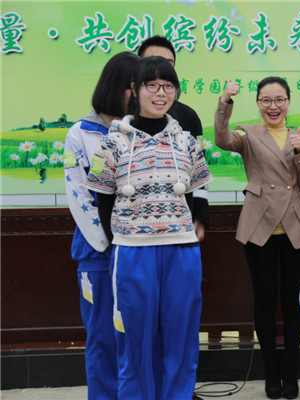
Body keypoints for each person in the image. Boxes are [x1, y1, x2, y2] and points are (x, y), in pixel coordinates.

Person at [85, 56, 212, 400]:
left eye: (168, 86)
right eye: (151, 85)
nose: (160, 93)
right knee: (134, 340)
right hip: (132, 253)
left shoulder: (187, 142)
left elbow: (195, 193)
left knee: (181, 339)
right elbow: (103, 200)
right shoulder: (112, 143)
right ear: (134, 89)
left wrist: (193, 225)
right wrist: (122, 239)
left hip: (182, 251)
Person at [214, 77, 300, 400]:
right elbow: (221, 139)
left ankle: (291, 371)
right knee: (264, 300)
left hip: (295, 226)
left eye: (280, 100)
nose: (273, 106)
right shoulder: (248, 134)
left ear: (289, 102)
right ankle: (271, 372)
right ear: (258, 103)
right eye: (266, 100)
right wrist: (224, 102)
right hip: (260, 225)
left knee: (293, 302)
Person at [63, 51, 140, 400]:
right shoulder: (80, 133)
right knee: (103, 338)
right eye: (135, 87)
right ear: (117, 87)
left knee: (138, 336)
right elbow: (78, 195)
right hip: (98, 253)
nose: (142, 94)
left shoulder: (144, 131)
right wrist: (108, 239)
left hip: (139, 250)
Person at [138, 35, 210, 239]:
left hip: (179, 227)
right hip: (134, 232)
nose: (160, 68)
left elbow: (199, 171)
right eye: (151, 62)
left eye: (168, 63)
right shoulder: (123, 120)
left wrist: (200, 214)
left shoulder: (188, 116)